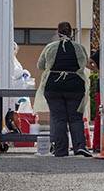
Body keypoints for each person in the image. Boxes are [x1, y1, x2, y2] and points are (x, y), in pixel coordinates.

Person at [34, 21, 91, 158]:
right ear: (71, 32)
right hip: (75, 86)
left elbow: (40, 65)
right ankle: (79, 147)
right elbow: (83, 64)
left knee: (58, 118)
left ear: (57, 32)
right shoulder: (79, 48)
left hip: (53, 86)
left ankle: (60, 150)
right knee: (76, 118)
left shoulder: (50, 47)